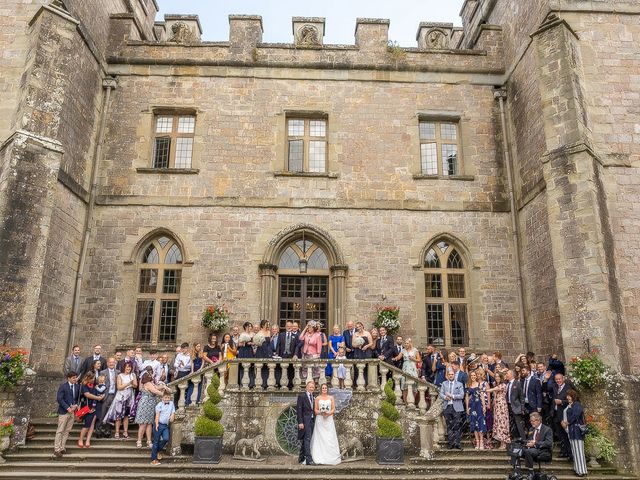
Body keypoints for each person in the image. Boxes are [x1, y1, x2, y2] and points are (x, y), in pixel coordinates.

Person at [136, 366, 168, 449]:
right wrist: (165, 395)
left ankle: (149, 441)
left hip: (151, 404)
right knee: (143, 423)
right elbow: (155, 391)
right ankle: (139, 440)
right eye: (150, 375)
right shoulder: (147, 383)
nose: (151, 375)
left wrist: (164, 387)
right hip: (145, 403)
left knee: (149, 423)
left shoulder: (151, 383)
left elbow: (157, 387)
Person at [104, 361, 138, 439]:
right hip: (120, 397)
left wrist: (131, 384)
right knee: (118, 415)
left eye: (130, 367)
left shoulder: (133, 375)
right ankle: (117, 432)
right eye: (127, 367)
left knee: (126, 415)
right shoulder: (120, 376)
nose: (128, 368)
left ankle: (125, 432)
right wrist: (129, 383)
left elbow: (135, 385)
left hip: (129, 397)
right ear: (124, 367)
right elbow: (119, 387)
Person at [310, 383, 341, 465]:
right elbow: (315, 410)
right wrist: (321, 412)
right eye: (323, 388)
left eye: (325, 388)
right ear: (321, 389)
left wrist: (328, 413)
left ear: (327, 389)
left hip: (329, 419)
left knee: (329, 437)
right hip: (320, 420)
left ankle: (330, 457)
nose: (324, 389)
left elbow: (333, 408)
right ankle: (319, 456)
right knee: (320, 437)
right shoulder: (317, 398)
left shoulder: (331, 398)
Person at [562, 389, 588, 477]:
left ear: (573, 396)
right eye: (567, 396)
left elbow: (576, 414)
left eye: (569, 396)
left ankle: (582, 471)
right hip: (572, 431)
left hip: (576, 431)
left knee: (579, 451)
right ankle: (578, 469)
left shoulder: (576, 404)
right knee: (575, 451)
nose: (567, 397)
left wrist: (567, 422)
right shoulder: (570, 405)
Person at [53, 372, 79, 458]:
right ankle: (56, 449)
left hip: (72, 412)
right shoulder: (63, 387)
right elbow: (59, 399)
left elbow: (76, 398)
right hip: (64, 412)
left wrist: (75, 406)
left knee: (67, 431)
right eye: (73, 378)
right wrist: (68, 408)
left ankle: (62, 448)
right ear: (68, 378)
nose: (75, 379)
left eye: (76, 377)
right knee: (60, 430)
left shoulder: (77, 386)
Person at [440, 369, 465, 450]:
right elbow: (441, 394)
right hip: (447, 407)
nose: (451, 376)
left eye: (452, 374)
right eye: (449, 374)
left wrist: (452, 396)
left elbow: (461, 395)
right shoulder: (444, 384)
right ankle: (451, 443)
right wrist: (445, 397)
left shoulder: (459, 384)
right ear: (447, 375)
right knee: (449, 426)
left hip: (457, 408)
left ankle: (457, 443)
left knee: (457, 426)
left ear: (454, 375)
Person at [77, 374, 104, 448]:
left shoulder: (95, 385)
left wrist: (102, 396)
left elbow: (101, 392)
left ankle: (88, 440)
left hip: (96, 406)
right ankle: (80, 439)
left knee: (92, 424)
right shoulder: (83, 386)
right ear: (87, 378)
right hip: (87, 407)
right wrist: (98, 398)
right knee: (87, 424)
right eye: (91, 378)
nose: (93, 380)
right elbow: (87, 395)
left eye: (94, 378)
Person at [550, 372, 572, 459]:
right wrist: (552, 410)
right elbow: (553, 399)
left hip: (564, 414)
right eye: (556, 379)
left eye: (559, 379)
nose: (558, 381)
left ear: (563, 379)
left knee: (566, 434)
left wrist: (562, 402)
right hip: (556, 414)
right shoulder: (555, 387)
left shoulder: (568, 388)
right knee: (560, 434)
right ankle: (563, 451)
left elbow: (573, 400)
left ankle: (569, 453)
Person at [486, 372, 510, 449]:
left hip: (502, 406)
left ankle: (504, 443)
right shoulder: (495, 384)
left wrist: (483, 390)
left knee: (502, 423)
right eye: (496, 377)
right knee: (498, 422)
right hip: (496, 406)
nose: (497, 378)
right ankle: (501, 442)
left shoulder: (503, 385)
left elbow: (492, 389)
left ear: (501, 377)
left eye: (498, 377)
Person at [151, 391, 175, 465]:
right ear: (162, 398)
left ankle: (158, 450)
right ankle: (153, 460)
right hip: (158, 424)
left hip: (165, 426)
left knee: (166, 438)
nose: (167, 399)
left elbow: (173, 412)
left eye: (168, 397)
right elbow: (157, 415)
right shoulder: (159, 405)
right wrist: (157, 424)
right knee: (156, 442)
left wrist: (172, 416)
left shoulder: (171, 403)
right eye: (165, 397)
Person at [466, 370, 487, 449]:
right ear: (470, 377)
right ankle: (477, 442)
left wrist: (484, 406)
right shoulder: (469, 385)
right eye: (472, 376)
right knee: (474, 424)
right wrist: (467, 408)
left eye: (474, 375)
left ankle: (481, 441)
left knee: (480, 423)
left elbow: (482, 395)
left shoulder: (479, 385)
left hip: (479, 406)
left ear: (476, 376)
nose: (473, 377)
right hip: (472, 406)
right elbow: (467, 398)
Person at [296, 380, 316, 466]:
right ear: (307, 387)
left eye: (313, 387)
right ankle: (309, 460)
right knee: (307, 439)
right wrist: (300, 422)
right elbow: (299, 410)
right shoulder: (302, 396)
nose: (312, 388)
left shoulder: (313, 396)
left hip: (312, 421)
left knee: (306, 439)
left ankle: (301, 457)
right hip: (304, 421)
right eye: (310, 387)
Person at [505, 369, 526, 442]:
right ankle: (516, 439)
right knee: (513, 424)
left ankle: (524, 440)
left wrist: (522, 408)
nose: (506, 375)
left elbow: (521, 396)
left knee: (519, 424)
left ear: (511, 375)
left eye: (507, 373)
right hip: (508, 407)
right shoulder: (507, 384)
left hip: (516, 407)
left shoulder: (517, 383)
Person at [398, 338, 420, 403]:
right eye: (405, 343)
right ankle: (405, 403)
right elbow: (398, 357)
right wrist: (394, 358)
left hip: (412, 367)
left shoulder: (415, 350)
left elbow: (419, 360)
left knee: (414, 385)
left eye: (407, 343)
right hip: (405, 367)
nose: (406, 344)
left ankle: (412, 401)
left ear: (410, 343)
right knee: (405, 385)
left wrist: (413, 359)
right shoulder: (403, 350)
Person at [98, 357, 119, 426]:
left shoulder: (118, 372)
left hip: (115, 395)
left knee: (111, 413)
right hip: (106, 395)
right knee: (103, 413)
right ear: (107, 363)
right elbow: (100, 384)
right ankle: (100, 429)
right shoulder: (103, 372)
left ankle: (108, 430)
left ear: (115, 363)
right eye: (110, 362)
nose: (111, 363)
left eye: (113, 362)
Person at [237, 322, 255, 388]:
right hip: (243, 351)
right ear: (245, 327)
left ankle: (251, 383)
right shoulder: (242, 334)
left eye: (250, 326)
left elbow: (255, 342)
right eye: (249, 326)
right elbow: (239, 344)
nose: (250, 327)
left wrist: (252, 343)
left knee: (250, 366)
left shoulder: (253, 334)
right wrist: (245, 342)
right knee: (242, 366)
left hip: (250, 351)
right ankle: (242, 383)